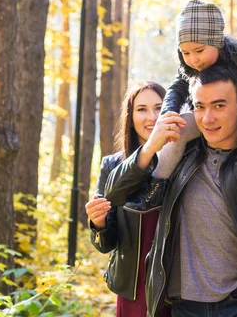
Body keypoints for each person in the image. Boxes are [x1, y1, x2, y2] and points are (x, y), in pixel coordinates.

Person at [104, 65, 237, 317]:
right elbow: (115, 194)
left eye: (219, 106)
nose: (207, 119)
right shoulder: (178, 155)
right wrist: (151, 144)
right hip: (184, 306)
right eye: (200, 107)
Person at [124, 0, 237, 254]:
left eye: (199, 51)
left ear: (216, 40)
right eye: (186, 53)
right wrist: (168, 115)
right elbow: (178, 87)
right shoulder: (188, 65)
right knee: (176, 130)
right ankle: (156, 187)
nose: (193, 60)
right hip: (208, 113)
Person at [85, 81, 171, 317]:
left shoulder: (181, 163)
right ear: (130, 117)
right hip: (134, 286)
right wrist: (99, 222)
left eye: (159, 108)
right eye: (141, 109)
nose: (151, 117)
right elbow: (106, 244)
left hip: (176, 285)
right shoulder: (112, 165)